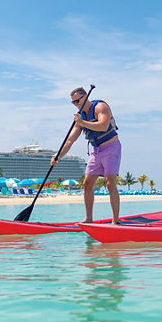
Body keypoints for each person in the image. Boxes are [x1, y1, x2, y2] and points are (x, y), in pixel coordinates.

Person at [51, 86, 121, 223]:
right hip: (96, 151)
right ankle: (89, 219)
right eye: (73, 102)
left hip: (111, 147)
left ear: (85, 97)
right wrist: (57, 156)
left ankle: (115, 220)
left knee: (109, 183)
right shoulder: (80, 118)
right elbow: (70, 140)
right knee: (87, 184)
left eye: (78, 101)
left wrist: (82, 122)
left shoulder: (100, 107)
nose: (76, 104)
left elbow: (103, 126)